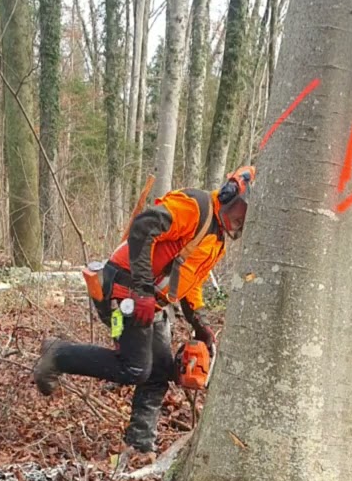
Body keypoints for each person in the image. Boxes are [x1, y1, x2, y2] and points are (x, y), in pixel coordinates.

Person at [33, 166, 255, 456]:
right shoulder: (195, 208)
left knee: (159, 372)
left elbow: (191, 280)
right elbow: (143, 228)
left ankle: (140, 446)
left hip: (154, 303)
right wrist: (141, 291)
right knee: (135, 368)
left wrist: (199, 322)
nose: (244, 219)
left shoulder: (218, 239)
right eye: (244, 209)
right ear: (230, 194)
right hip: (123, 290)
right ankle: (58, 354)